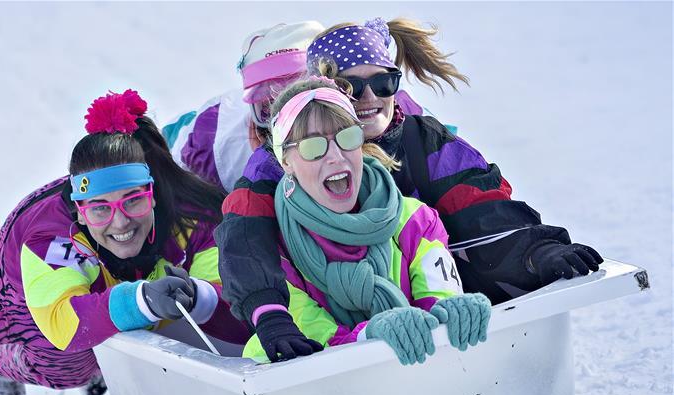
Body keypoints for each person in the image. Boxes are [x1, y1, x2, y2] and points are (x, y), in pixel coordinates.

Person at [215, 17, 602, 362]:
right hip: (331, 318)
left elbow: (479, 207)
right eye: (352, 86)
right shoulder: (278, 162)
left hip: (426, 301)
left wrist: (536, 252)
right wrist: (268, 310)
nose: (369, 98)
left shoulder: (421, 144)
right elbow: (246, 239)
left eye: (383, 83)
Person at [0, 90, 248, 395]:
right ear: (79, 210)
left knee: (162, 314)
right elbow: (62, 322)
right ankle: (2, 362)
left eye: (133, 200)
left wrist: (200, 296)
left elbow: (238, 303)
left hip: (120, 275)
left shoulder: (191, 218)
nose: (120, 222)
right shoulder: (50, 238)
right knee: (73, 362)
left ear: (153, 194)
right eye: (100, 209)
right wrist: (142, 300)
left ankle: (113, 341)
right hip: (27, 296)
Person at [235, 78, 491, 364]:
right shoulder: (272, 247)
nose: (335, 156)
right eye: (312, 146)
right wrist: (368, 336)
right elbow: (307, 334)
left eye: (347, 137)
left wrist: (451, 313)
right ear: (286, 161)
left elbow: (438, 297)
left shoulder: (414, 219)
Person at [163, 21, 324, 192]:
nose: (287, 117)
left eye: (300, 99)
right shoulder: (212, 139)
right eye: (270, 103)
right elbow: (171, 164)